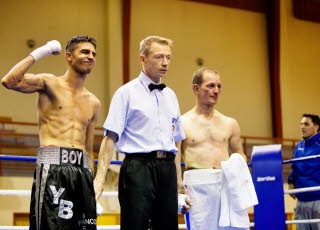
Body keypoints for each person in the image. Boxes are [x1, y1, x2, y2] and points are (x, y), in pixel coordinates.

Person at [1, 36, 101, 230]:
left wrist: (91, 187)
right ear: (69, 57)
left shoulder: (94, 102)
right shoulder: (48, 83)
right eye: (85, 52)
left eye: (93, 54)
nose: (91, 56)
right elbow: (9, 81)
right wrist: (42, 51)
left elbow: (89, 149)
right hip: (53, 169)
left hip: (81, 173)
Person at [94, 35, 190, 230]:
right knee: (134, 225)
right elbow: (110, 137)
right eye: (158, 57)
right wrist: (99, 180)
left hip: (167, 169)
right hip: (138, 168)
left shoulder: (171, 95)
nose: (165, 63)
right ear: (143, 59)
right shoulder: (126, 93)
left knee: (167, 226)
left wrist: (179, 183)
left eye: (168, 57)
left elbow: (177, 142)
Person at [178, 67, 253, 230]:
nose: (216, 90)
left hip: (227, 183)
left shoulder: (230, 123)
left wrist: (237, 164)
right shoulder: (182, 123)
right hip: (197, 184)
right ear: (196, 89)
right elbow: (174, 159)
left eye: (219, 86)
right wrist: (179, 188)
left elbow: (240, 154)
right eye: (211, 86)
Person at [288, 114, 320, 230]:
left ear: (316, 127)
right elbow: (294, 167)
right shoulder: (299, 146)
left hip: (318, 199)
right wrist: (291, 183)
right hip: (301, 200)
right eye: (301, 124)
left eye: (306, 124)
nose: (302, 127)